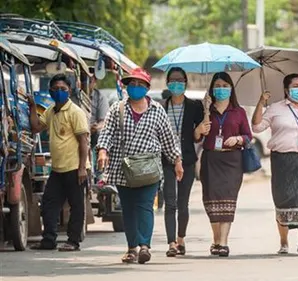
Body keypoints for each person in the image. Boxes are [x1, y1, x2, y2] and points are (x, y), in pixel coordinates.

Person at [96, 68, 183, 264]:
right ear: (126, 87)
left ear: (147, 88)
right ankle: (131, 248)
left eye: (139, 84)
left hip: (148, 169)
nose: (135, 88)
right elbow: (107, 133)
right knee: (127, 208)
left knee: (145, 206)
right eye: (131, 84)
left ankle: (144, 245)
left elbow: (168, 139)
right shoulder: (116, 108)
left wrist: (177, 161)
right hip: (123, 168)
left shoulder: (157, 110)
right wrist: (103, 150)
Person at [252, 73, 298, 256]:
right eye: (295, 86)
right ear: (286, 90)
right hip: (281, 160)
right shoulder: (275, 109)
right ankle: (284, 242)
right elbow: (256, 127)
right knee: (282, 199)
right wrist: (261, 103)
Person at [28, 74, 90, 251]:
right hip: (57, 169)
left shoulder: (76, 112)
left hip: (74, 168)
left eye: (63, 89)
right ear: (50, 91)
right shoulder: (50, 111)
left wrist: (81, 168)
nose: (60, 92)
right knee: (49, 204)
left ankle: (73, 241)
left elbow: (83, 141)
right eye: (56, 90)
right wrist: (33, 106)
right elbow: (36, 128)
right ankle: (48, 240)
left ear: (69, 91)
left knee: (76, 206)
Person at [198, 72, 252, 257]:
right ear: (212, 88)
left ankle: (223, 242)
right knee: (211, 201)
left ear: (231, 88)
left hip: (232, 161)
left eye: (224, 85)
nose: (221, 89)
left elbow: (248, 137)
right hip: (210, 159)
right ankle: (215, 239)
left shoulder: (239, 111)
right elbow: (196, 137)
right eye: (217, 86)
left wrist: (237, 138)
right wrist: (201, 122)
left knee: (228, 200)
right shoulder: (205, 108)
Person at [161, 67, 211, 257]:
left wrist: (205, 113)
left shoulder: (195, 106)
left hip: (188, 159)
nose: (176, 83)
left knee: (183, 203)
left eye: (180, 80)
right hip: (166, 160)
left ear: (185, 83)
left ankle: (181, 239)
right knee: (170, 202)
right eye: (173, 80)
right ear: (167, 83)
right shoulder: (161, 106)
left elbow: (200, 135)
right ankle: (171, 243)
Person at [88, 70, 109, 150]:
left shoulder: (100, 97)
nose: (85, 83)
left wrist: (95, 128)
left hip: (93, 135)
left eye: (90, 81)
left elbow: (104, 121)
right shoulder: (74, 96)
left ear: (95, 82)